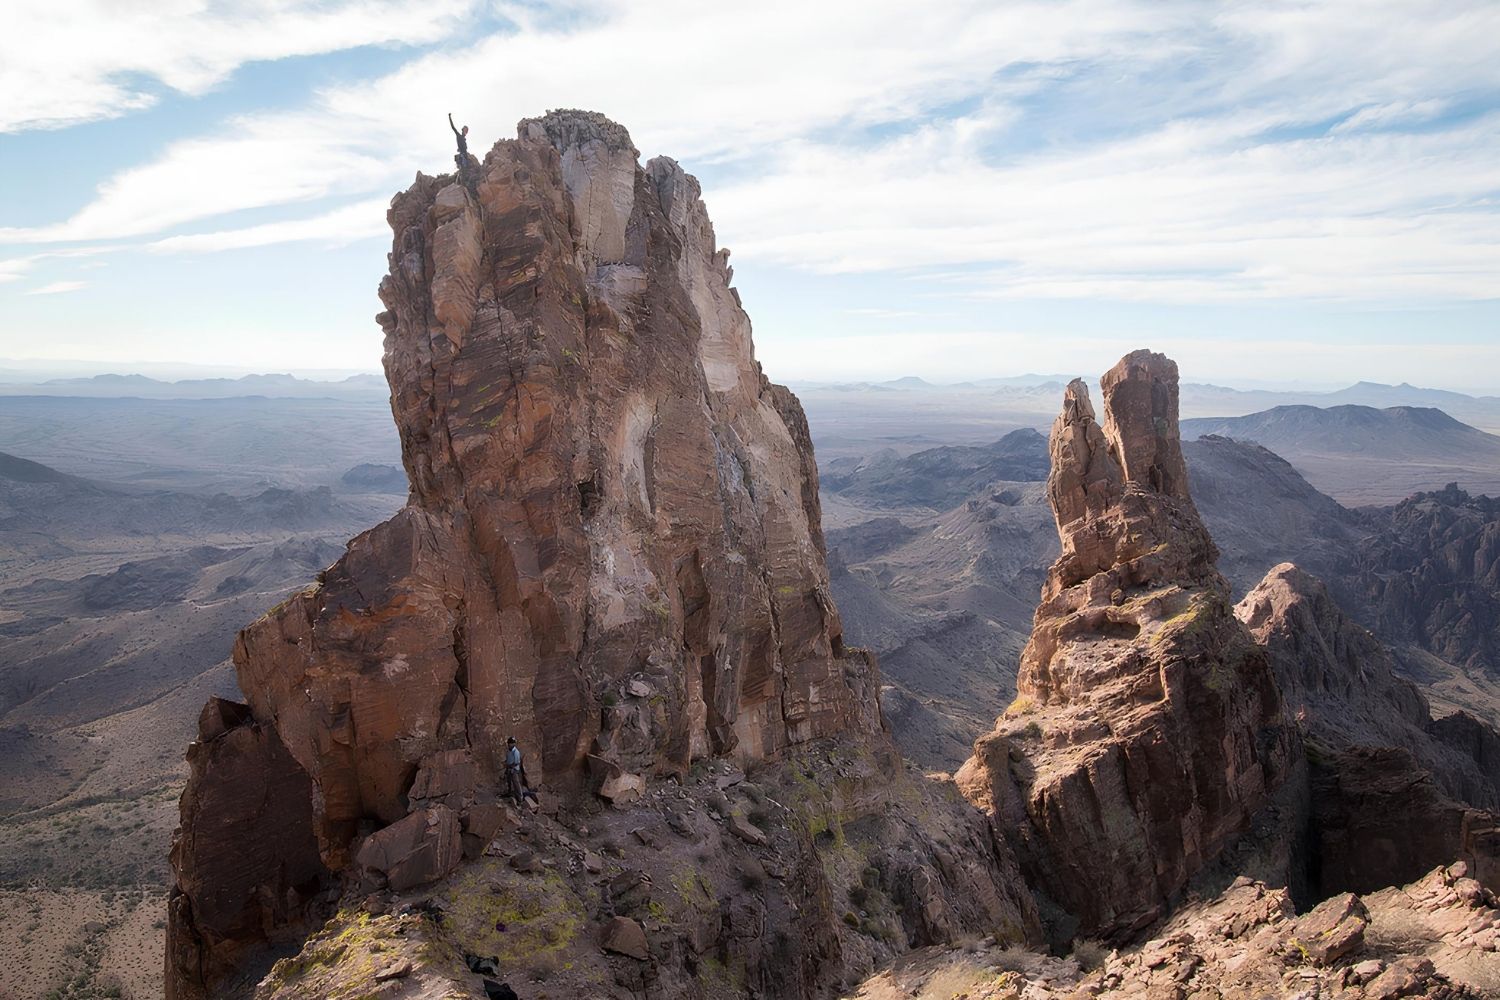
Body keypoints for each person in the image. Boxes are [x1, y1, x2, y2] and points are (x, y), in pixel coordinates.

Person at [505, 736, 537, 805]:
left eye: (511, 743)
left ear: (513, 744)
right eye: (509, 743)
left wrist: (510, 766)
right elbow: (508, 760)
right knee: (509, 783)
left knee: (516, 784)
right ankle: (510, 794)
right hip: (509, 769)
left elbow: (517, 762)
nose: (509, 745)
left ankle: (520, 798)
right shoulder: (508, 751)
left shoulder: (516, 752)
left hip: (514, 770)